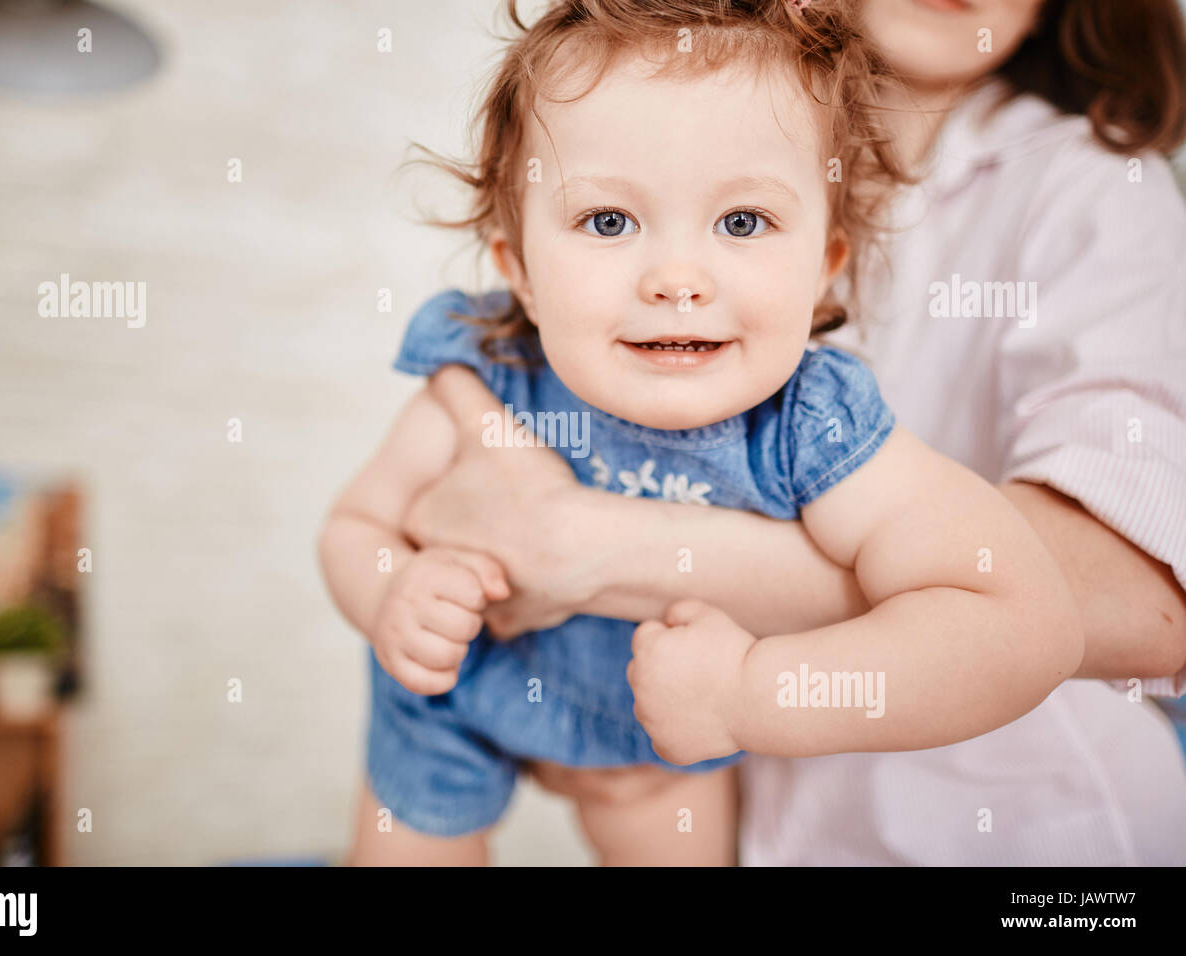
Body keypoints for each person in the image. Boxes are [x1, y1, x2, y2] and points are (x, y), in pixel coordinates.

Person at [399, 0, 1186, 864]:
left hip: (1021, 831)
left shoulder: (1095, 188)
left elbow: (1141, 601)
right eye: (608, 223)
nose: (675, 280)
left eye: (743, 224)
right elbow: (380, 535)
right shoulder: (655, 120)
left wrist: (594, 554)